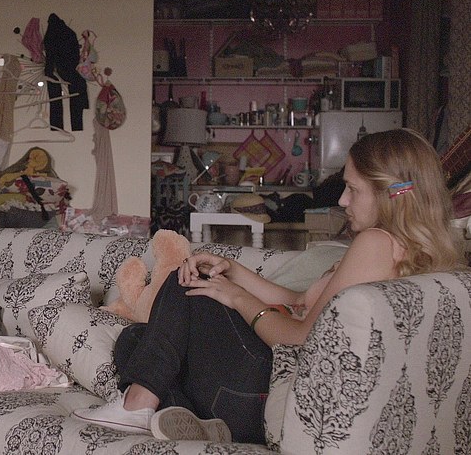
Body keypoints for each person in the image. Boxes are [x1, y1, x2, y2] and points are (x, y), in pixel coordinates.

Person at [73, 128, 463, 443]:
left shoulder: (375, 243)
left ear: (389, 193)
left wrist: (234, 294)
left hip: (271, 394)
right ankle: (193, 421)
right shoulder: (414, 252)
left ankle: (136, 407)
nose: (343, 201)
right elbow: (298, 301)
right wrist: (233, 270)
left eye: (353, 189)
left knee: (184, 284)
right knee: (137, 339)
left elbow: (299, 337)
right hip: (250, 400)